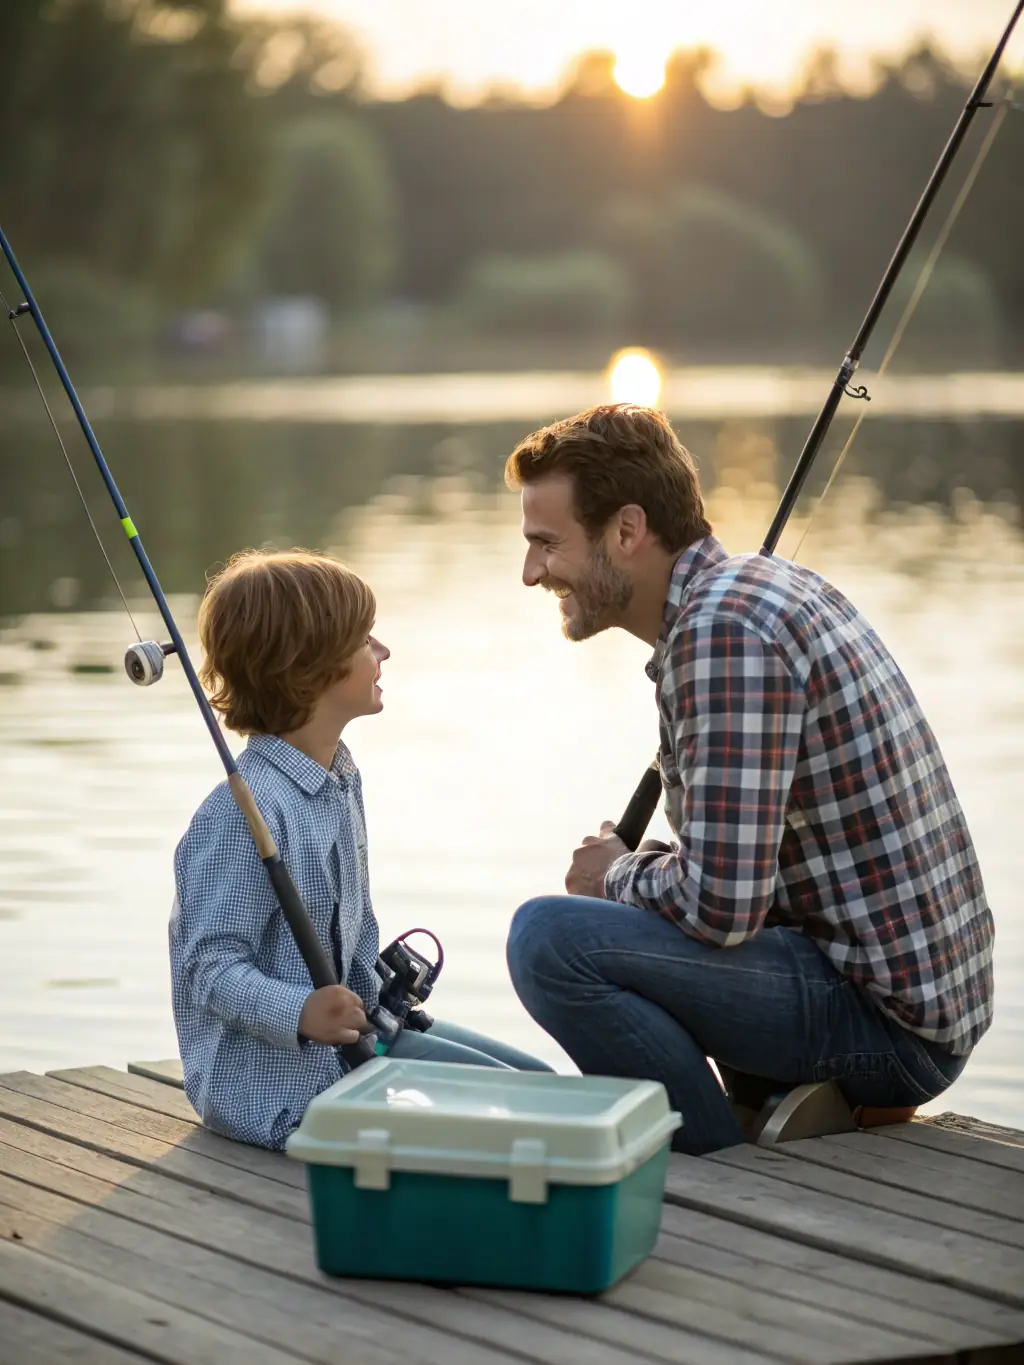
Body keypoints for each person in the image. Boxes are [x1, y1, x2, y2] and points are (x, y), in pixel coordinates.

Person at [503, 403, 994, 1155]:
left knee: (548, 940)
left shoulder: (721, 632)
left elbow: (721, 909)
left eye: (546, 542)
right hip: (905, 997)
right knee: (610, 924)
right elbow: (736, 886)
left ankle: (712, 1161)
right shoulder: (751, 593)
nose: (532, 570)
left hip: (892, 1028)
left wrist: (614, 877)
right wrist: (645, 876)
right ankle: (757, 1111)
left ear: (627, 531)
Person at [170, 549, 549, 1150]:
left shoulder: (339, 777)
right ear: (310, 668)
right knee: (527, 1118)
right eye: (364, 640)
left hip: (360, 1045)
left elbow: (355, 928)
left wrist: (373, 1003)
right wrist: (299, 1011)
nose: (383, 652)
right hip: (277, 1092)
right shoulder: (238, 816)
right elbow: (209, 972)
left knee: (543, 1087)